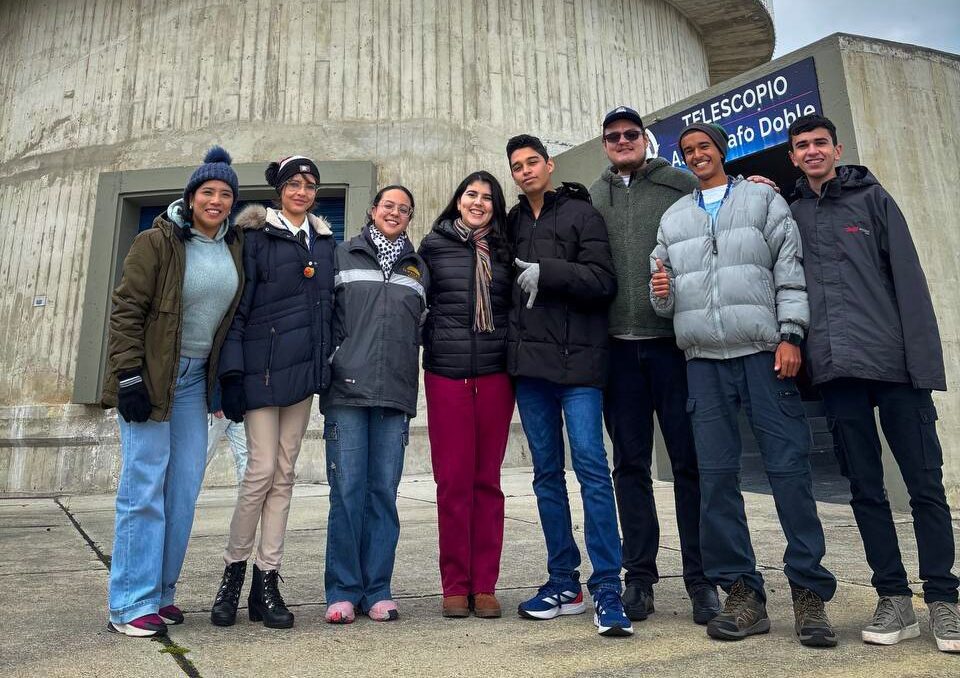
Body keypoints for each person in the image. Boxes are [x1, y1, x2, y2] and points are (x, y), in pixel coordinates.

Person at [651, 122, 838, 647]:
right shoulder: (674, 217)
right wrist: (661, 291)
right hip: (703, 362)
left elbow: (789, 271)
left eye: (704, 147)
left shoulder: (762, 200)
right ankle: (742, 593)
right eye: (688, 150)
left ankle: (809, 593)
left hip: (763, 354)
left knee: (789, 473)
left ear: (721, 151)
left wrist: (791, 334)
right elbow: (663, 299)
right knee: (715, 480)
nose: (697, 155)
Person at [788, 113, 960, 653]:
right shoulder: (791, 213)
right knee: (865, 491)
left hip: (896, 370)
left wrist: (924, 369)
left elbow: (910, 282)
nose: (812, 151)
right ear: (793, 156)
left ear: (837, 149)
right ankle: (894, 599)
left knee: (925, 488)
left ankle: (944, 599)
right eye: (802, 145)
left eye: (820, 143)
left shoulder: (874, 201)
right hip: (837, 373)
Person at [102, 147, 244, 637]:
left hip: (194, 383)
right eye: (208, 191)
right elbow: (126, 310)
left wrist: (227, 380)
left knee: (182, 491)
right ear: (191, 196)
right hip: (153, 376)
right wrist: (128, 375)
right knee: (143, 488)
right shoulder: (156, 241)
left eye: (225, 194)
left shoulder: (233, 246)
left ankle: (160, 592)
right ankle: (129, 603)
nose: (216, 201)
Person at [588, 105, 719, 625]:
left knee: (690, 465)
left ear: (644, 138)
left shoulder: (682, 185)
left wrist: (760, 183)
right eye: (613, 136)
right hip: (617, 354)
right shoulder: (593, 196)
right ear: (605, 144)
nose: (622, 141)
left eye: (630, 134)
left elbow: (723, 214)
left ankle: (701, 580)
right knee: (630, 467)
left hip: (673, 347)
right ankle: (639, 578)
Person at [505, 134, 631, 638]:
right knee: (546, 476)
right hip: (531, 371)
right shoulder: (511, 222)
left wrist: (549, 272)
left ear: (549, 165)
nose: (526, 171)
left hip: (579, 368)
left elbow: (604, 281)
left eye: (533, 162)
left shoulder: (582, 214)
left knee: (593, 472)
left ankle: (607, 587)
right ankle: (564, 582)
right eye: (517, 166)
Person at [210, 155, 336, 630]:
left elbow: (327, 309)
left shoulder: (324, 242)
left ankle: (267, 579)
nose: (302, 191)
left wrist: (325, 367)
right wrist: (231, 375)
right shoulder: (256, 236)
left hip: (301, 376)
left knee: (284, 474)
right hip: (260, 373)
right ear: (279, 190)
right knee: (259, 472)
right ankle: (233, 572)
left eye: (309, 185)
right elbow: (238, 309)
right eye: (294, 184)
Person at [322, 185, 429, 624]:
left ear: (410, 218)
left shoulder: (419, 268)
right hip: (346, 391)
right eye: (388, 205)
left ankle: (378, 589)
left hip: (394, 394)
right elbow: (324, 318)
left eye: (404, 209)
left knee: (383, 493)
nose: (395, 213)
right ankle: (343, 590)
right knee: (347, 492)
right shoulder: (342, 255)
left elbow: (424, 328)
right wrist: (333, 360)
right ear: (372, 210)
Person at [418, 172, 515, 619]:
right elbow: (416, 303)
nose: (478, 202)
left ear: (496, 205)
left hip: (496, 374)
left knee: (487, 482)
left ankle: (485, 585)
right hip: (446, 375)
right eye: (470, 195)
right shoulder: (432, 247)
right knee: (453, 482)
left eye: (487, 197)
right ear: (457, 201)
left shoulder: (506, 247)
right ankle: (455, 585)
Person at [206, 415, 248, 483]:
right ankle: (188, 487)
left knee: (244, 455)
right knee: (202, 456)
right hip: (218, 414)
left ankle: (247, 489)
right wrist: (215, 408)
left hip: (237, 412)